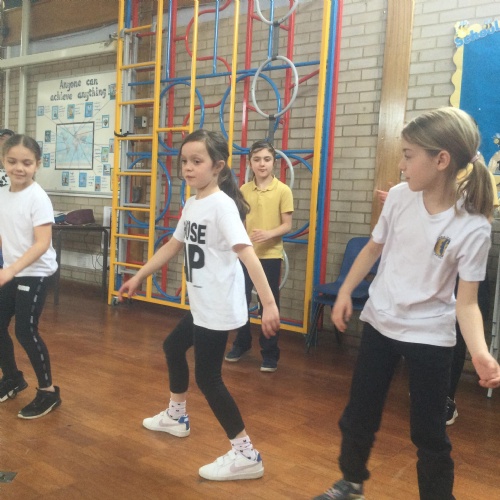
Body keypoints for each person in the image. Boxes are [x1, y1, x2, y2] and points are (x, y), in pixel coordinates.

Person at [314, 107, 500, 500]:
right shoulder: (399, 197)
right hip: (380, 323)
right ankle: (351, 484)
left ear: (441, 160)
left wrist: (481, 353)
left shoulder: (473, 226)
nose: (401, 165)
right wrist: (346, 291)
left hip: (430, 337)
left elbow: (467, 304)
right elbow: (373, 248)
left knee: (429, 434)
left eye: (408, 155)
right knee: (358, 415)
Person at [118, 129, 280, 481]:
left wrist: (268, 303)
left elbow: (248, 255)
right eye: (184, 161)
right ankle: (176, 416)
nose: (188, 168)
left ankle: (246, 454)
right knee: (173, 346)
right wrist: (139, 275)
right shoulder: (194, 203)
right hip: (203, 304)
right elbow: (173, 245)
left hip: (217, 307)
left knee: (208, 378)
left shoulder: (221, 206)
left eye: (196, 161)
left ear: (217, 166)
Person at [376, 158, 499, 426]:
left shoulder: (477, 175)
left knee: (454, 338)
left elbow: (483, 219)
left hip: (462, 273)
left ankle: (446, 399)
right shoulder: (435, 172)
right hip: (436, 269)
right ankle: (428, 391)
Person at [0, 134, 61, 419]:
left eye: (26, 163)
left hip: (35, 273)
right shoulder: (3, 194)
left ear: (37, 164)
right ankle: (12, 378)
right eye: (12, 161)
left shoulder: (38, 198)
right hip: (13, 272)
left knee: (25, 331)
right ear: (3, 161)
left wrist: (11, 270)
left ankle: (48, 392)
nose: (19, 168)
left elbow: (42, 243)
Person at [224, 140, 293, 372]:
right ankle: (242, 342)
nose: (262, 164)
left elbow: (287, 225)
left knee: (268, 304)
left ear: (274, 162)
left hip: (270, 256)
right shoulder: (244, 190)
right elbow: (240, 223)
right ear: (250, 163)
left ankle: (270, 353)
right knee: (240, 300)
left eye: (266, 159)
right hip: (245, 257)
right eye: (257, 159)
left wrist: (268, 234)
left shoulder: (283, 190)